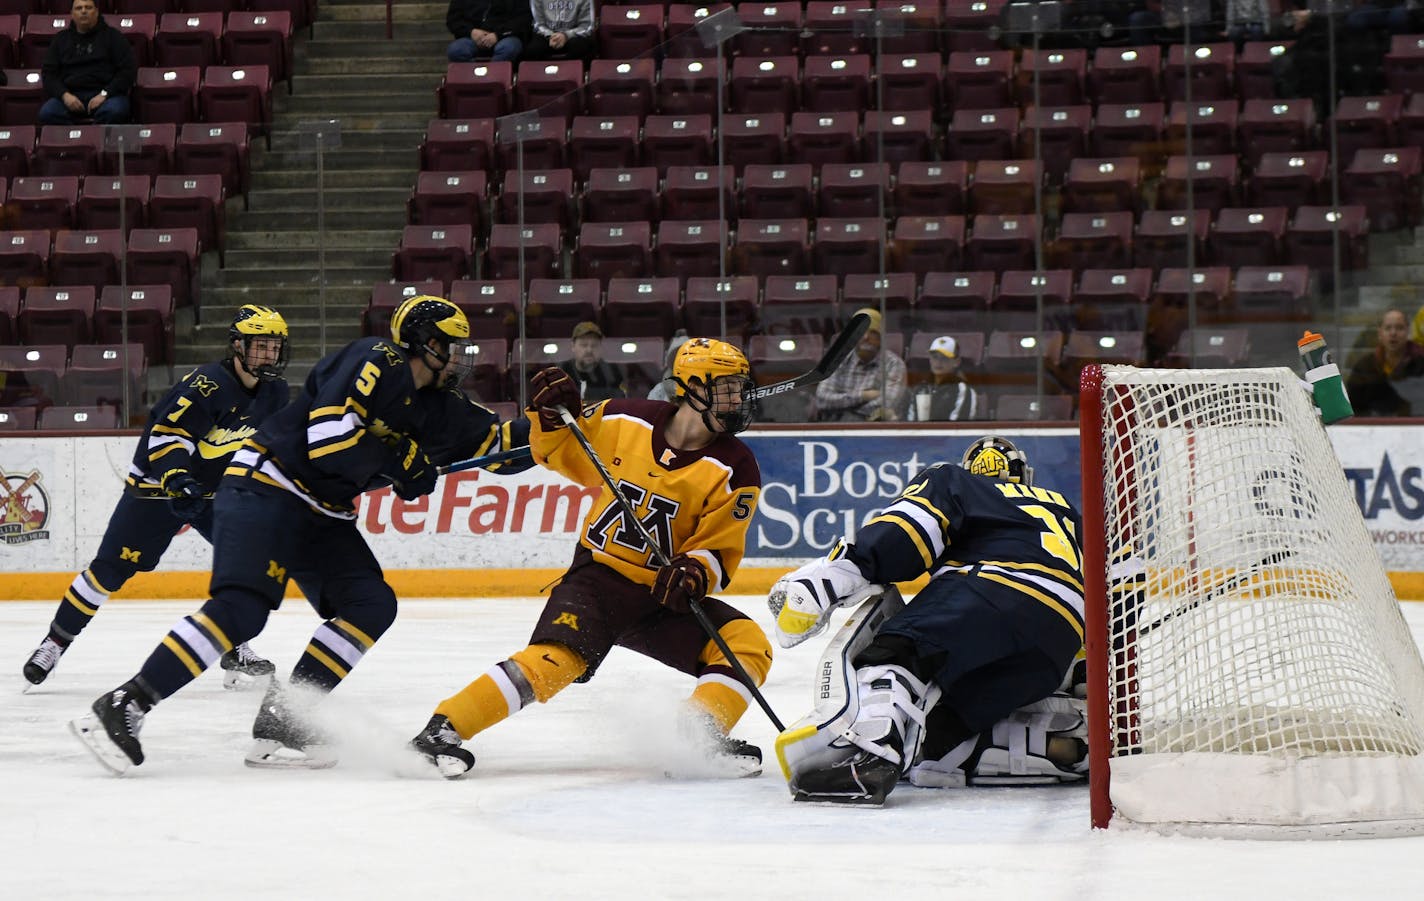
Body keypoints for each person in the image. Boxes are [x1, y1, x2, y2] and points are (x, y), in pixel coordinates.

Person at [71, 296, 533, 774]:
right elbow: (329, 437)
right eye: (451, 347)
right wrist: (397, 463)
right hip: (266, 484)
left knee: (369, 604)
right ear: (424, 344)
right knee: (241, 611)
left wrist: (556, 427)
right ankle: (127, 703)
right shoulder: (378, 358)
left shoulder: (443, 407)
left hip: (322, 510)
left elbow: (500, 448)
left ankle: (286, 719)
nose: (460, 358)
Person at [407, 338, 773, 779]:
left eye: (741, 387)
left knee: (745, 643)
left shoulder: (738, 467)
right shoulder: (623, 418)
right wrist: (550, 419)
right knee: (556, 660)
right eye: (730, 388)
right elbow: (555, 452)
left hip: (662, 595)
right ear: (692, 387)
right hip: (599, 580)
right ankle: (442, 730)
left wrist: (695, 571)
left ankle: (696, 738)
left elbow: (719, 547)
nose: (741, 399)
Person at [767, 436, 1086, 804]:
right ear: (1021, 475)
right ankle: (1063, 745)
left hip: (991, 589)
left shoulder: (957, 480)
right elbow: (1118, 581)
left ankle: (872, 753)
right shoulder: (1065, 510)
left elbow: (909, 530)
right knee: (941, 723)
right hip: (1061, 631)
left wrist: (834, 575)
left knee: (895, 651)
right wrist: (1079, 668)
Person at [23, 305, 291, 690]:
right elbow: (165, 435)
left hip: (216, 492)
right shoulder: (205, 386)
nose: (269, 355)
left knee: (248, 566)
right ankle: (55, 641)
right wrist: (177, 478)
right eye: (260, 346)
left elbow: (269, 443)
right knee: (109, 572)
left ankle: (234, 646)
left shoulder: (275, 392)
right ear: (237, 345)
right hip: (156, 486)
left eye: (274, 347)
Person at [39, 0, 136, 126]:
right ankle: (75, 141)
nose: (83, 11)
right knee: (48, 113)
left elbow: (127, 71)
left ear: (96, 12)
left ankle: (95, 140)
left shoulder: (113, 37)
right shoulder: (60, 40)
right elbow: (49, 74)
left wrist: (104, 94)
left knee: (115, 111)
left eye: (88, 7)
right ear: (72, 14)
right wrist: (65, 95)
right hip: (70, 96)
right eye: (79, 8)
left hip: (106, 96)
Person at [814, 308, 908, 422]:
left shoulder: (894, 364)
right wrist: (864, 396)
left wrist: (844, 412)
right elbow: (822, 399)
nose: (865, 337)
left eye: (872, 332)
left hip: (873, 429)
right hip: (833, 429)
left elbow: (887, 403)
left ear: (881, 337)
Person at [1345, 308, 1424, 416]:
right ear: (1380, 333)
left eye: (1399, 328)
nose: (1393, 333)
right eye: (1388, 328)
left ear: (1408, 332)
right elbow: (1353, 407)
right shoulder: (1365, 366)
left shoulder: (1421, 362)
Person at [905, 335, 981, 422]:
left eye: (945, 358)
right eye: (935, 357)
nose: (938, 362)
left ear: (956, 362)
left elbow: (957, 429)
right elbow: (911, 425)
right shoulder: (920, 388)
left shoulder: (963, 390)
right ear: (930, 359)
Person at [558, 320, 627, 403]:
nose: (589, 350)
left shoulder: (613, 373)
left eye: (594, 345)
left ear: (601, 347)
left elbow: (618, 404)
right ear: (573, 346)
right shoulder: (562, 372)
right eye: (584, 345)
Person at [445, 0, 532, 63]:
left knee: (509, 48)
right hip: (472, 38)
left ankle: (492, 79)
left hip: (505, 37)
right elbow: (453, 20)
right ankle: (474, 80)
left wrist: (497, 35)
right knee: (456, 50)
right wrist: (471, 32)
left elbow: (523, 20)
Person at [525, 0, 596, 62]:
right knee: (534, 49)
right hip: (547, 35)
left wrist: (566, 35)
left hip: (574, 35)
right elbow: (538, 24)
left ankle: (573, 76)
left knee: (580, 48)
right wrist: (551, 35)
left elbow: (587, 26)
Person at [647, 330, 691, 402]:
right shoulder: (659, 390)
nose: (682, 361)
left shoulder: (701, 388)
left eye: (686, 356)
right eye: (677, 357)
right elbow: (650, 411)